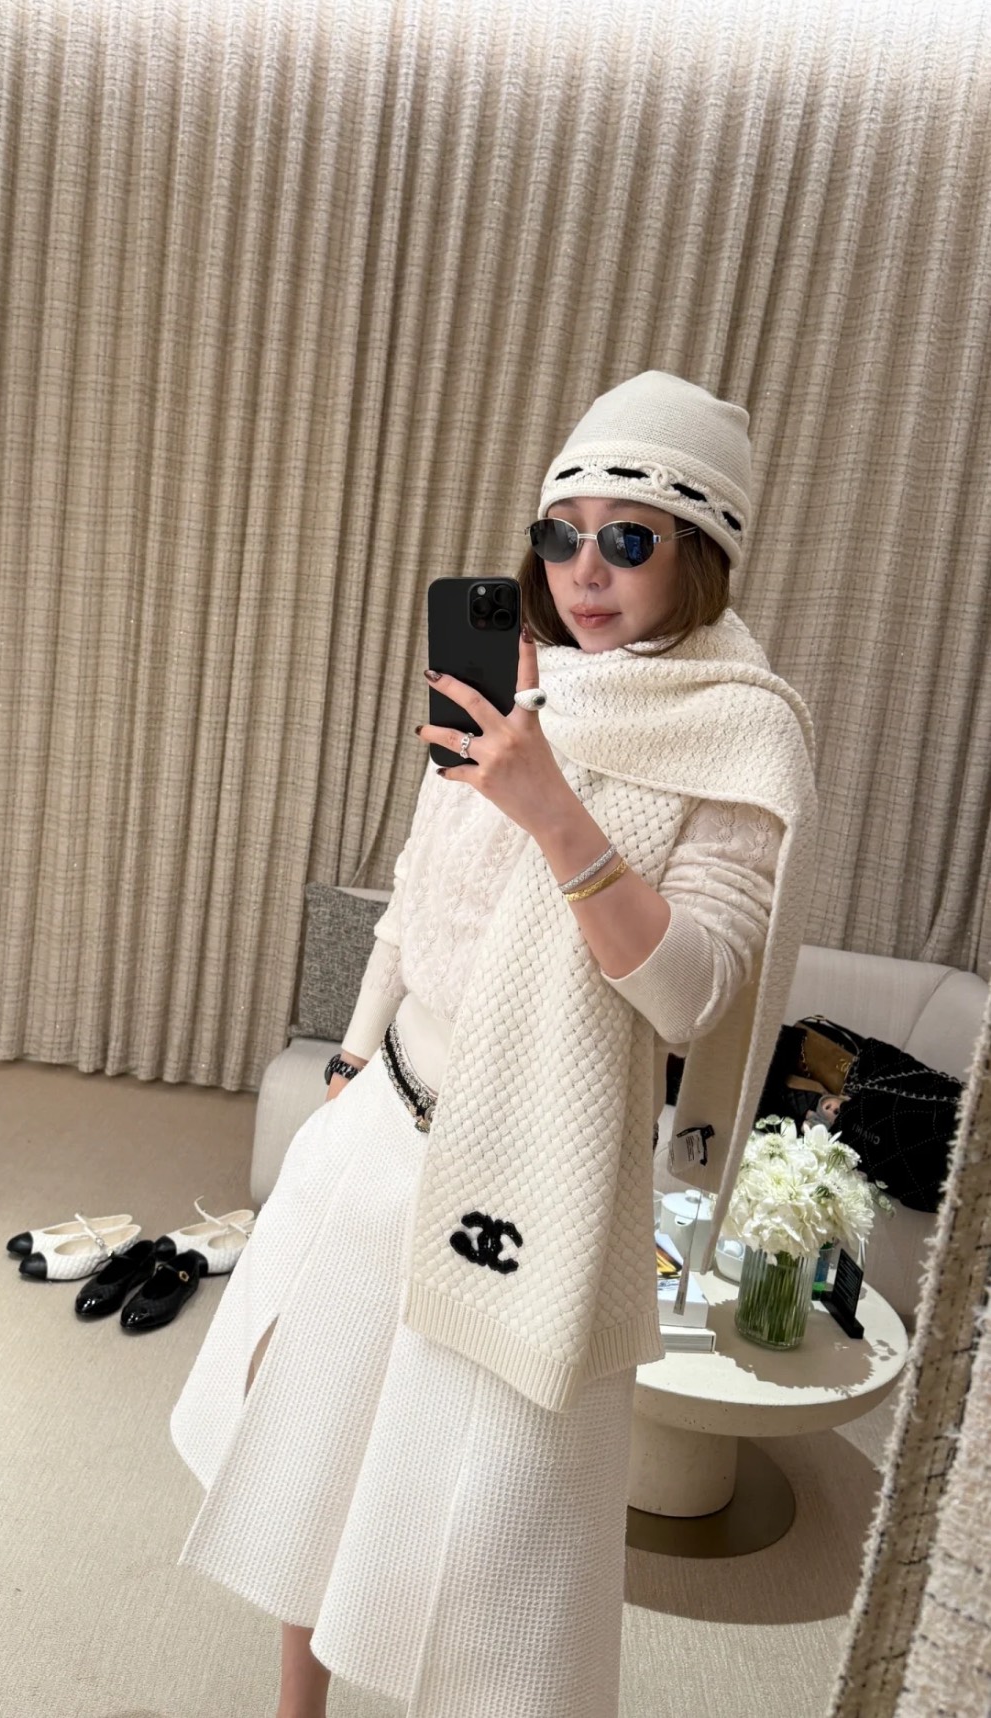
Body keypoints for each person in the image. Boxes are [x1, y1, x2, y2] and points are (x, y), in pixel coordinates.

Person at [169, 370, 820, 1718]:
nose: (586, 569)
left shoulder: (738, 731)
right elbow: (416, 897)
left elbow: (694, 994)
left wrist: (554, 810)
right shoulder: (520, 688)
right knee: (316, 1454)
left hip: (536, 1183)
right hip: (384, 1128)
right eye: (560, 535)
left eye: (627, 537)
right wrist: (349, 1063)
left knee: (488, 1542)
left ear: (700, 551)